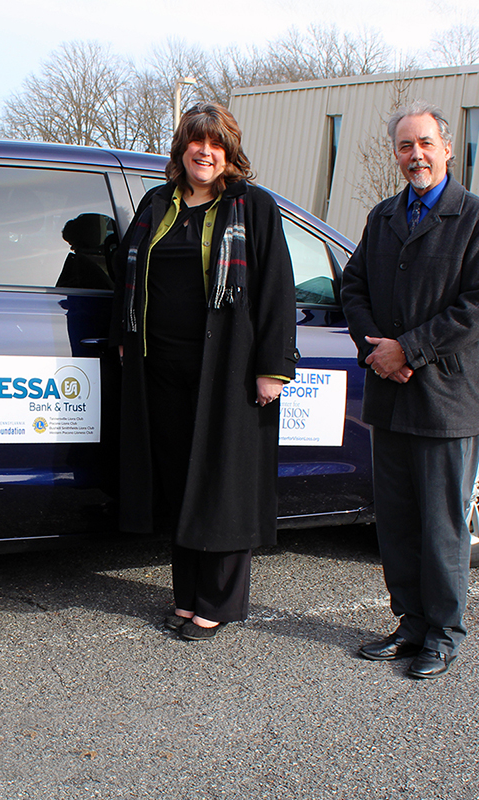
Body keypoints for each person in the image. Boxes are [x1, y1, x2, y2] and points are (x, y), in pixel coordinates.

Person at [112, 103, 298, 641]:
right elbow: (128, 272)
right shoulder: (156, 204)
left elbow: (277, 291)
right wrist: (127, 340)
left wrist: (273, 369)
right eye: (197, 142)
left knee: (222, 485)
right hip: (161, 371)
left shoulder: (252, 207)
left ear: (229, 152)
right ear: (182, 148)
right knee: (181, 484)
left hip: (228, 372)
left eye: (216, 144)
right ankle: (187, 595)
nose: (206, 152)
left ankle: (217, 600)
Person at [340, 101, 479, 679]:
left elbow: (478, 308)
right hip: (390, 397)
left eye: (426, 144)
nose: (416, 155)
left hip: (444, 401)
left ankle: (443, 633)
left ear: (447, 149)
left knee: (441, 526)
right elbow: (352, 286)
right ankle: (409, 623)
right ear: (396, 153)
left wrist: (407, 349)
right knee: (398, 522)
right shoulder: (383, 217)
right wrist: (375, 347)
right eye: (406, 146)